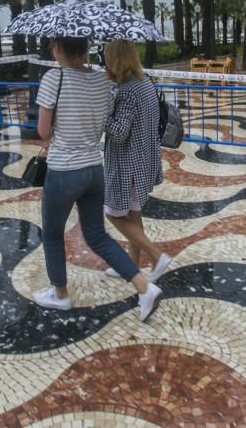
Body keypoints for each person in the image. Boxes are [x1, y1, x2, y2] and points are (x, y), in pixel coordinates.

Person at [33, 36, 163, 321]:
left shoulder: (53, 78)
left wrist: (60, 125)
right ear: (84, 49)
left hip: (64, 170)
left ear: (58, 48)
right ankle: (144, 287)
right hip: (94, 169)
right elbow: (103, 119)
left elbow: (43, 131)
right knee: (97, 235)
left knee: (53, 234)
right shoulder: (101, 81)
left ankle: (60, 295)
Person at [102, 40, 172, 280]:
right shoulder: (144, 83)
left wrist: (100, 114)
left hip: (129, 165)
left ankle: (156, 255)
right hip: (143, 160)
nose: (104, 63)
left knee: (113, 213)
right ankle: (130, 266)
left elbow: (119, 133)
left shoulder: (128, 91)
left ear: (116, 60)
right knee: (133, 214)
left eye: (107, 58)